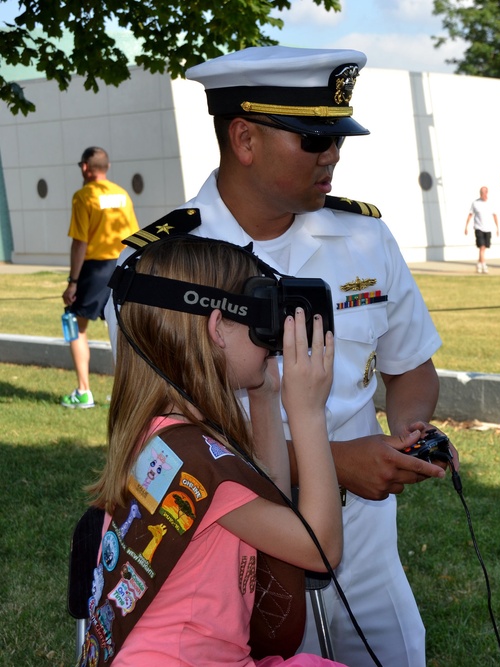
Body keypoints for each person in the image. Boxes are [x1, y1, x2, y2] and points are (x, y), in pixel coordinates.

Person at [108, 46, 452, 667]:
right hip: (229, 553)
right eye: (315, 137)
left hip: (366, 532)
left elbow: (411, 368)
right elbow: (160, 442)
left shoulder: (365, 238)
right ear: (244, 138)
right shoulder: (158, 274)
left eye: (338, 137)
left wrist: (408, 437)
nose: (334, 155)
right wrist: (333, 462)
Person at [79, 235, 346, 666]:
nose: (272, 338)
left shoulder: (165, 439)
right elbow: (321, 547)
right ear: (217, 327)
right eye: (262, 321)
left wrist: (266, 395)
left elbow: (268, 501)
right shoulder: (196, 459)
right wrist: (308, 414)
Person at [61, 146, 139, 408]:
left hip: (95, 269)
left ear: (85, 167)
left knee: (76, 324)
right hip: (123, 266)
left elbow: (80, 242)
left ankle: (84, 392)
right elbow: (135, 235)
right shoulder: (121, 194)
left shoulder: (83, 196)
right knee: (119, 329)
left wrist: (73, 281)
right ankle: (127, 395)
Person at [464, 185, 500, 273]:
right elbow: (470, 215)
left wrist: (497, 227)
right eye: (481, 192)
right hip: (478, 228)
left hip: (488, 228)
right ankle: (483, 265)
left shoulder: (490, 203)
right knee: (482, 246)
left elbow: (494, 215)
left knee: (484, 247)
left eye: (484, 192)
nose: (482, 194)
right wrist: (466, 226)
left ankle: (479, 264)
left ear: (487, 193)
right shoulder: (475, 203)